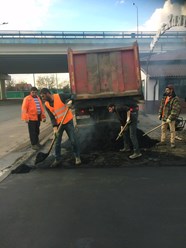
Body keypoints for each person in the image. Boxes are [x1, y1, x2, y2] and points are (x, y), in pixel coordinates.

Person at [40, 88, 81, 167]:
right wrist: (55, 128)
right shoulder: (46, 104)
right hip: (59, 124)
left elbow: (73, 95)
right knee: (57, 142)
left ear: (48, 94)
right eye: (41, 97)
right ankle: (57, 159)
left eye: (43, 96)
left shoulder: (60, 96)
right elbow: (52, 117)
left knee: (73, 140)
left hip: (68, 121)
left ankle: (77, 157)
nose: (43, 98)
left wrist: (71, 100)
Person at [157, 84, 181, 148]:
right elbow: (161, 106)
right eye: (166, 90)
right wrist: (160, 114)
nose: (166, 91)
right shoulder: (165, 97)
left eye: (167, 90)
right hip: (164, 117)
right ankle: (163, 141)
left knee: (172, 130)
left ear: (171, 90)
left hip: (171, 118)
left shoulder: (175, 99)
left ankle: (172, 143)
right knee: (163, 129)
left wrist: (170, 118)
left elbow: (175, 110)